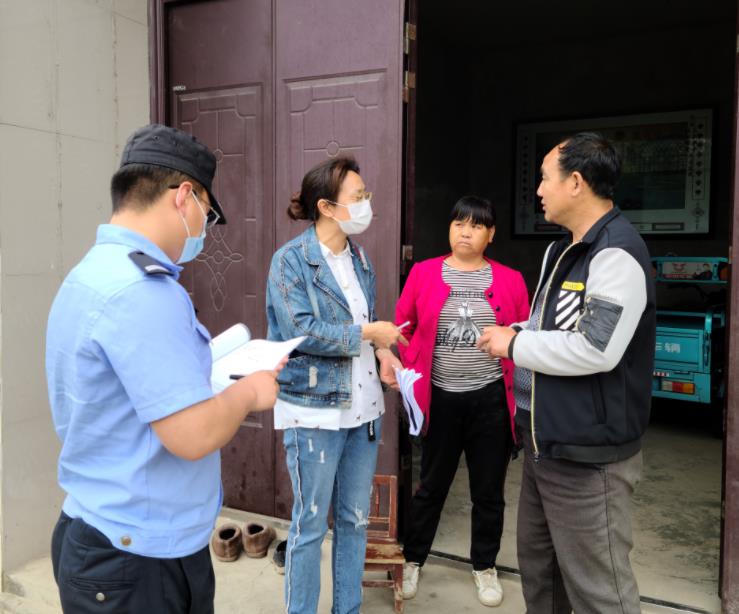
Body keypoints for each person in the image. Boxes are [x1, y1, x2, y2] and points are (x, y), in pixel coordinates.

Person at [46, 124, 283, 614]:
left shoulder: (90, 273)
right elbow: (193, 435)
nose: (203, 230)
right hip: (136, 561)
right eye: (207, 214)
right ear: (183, 197)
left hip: (100, 531)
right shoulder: (144, 291)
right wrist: (251, 392)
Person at [477, 132, 656, 613]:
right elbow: (549, 326)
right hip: (544, 445)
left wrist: (514, 344)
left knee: (600, 592)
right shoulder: (561, 251)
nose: (538, 190)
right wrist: (514, 330)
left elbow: (596, 348)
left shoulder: (615, 253)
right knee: (542, 578)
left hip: (588, 458)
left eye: (544, 179)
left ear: (576, 182)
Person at [266, 156, 406, 614]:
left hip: (364, 411)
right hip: (314, 411)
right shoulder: (290, 261)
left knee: (354, 520)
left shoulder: (359, 259)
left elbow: (368, 323)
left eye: (366, 195)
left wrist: (383, 353)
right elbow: (300, 331)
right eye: (358, 196)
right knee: (310, 525)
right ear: (326, 206)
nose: (367, 204)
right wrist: (368, 334)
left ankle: (348, 608)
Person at [394, 196, 530, 607]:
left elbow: (524, 334)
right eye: (458, 224)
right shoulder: (423, 273)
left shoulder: (511, 280)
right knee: (431, 486)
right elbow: (403, 326)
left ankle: (484, 567)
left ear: (491, 234)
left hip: (491, 401)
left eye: (476, 225)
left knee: (488, 492)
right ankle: (413, 559)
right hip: (441, 398)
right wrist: (407, 372)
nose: (465, 232)